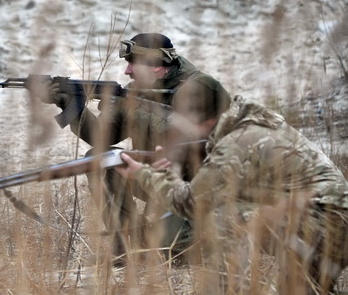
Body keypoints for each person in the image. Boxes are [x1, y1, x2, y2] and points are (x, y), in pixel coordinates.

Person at [115, 95, 348, 294]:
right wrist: (169, 172)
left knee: (224, 215)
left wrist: (142, 174)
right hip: (326, 224)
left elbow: (190, 203)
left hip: (320, 224)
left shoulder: (238, 141)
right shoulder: (255, 128)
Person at [37, 33, 230, 264]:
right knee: (100, 158)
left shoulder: (201, 88)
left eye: (133, 64)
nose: (127, 71)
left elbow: (193, 143)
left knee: (178, 254)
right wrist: (71, 103)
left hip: (199, 187)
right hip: (154, 177)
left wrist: (141, 108)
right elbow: (102, 137)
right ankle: (127, 245)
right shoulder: (134, 91)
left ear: (157, 66)